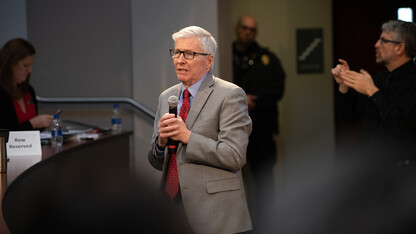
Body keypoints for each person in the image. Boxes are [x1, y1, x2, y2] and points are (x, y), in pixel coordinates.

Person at [148, 26, 252, 234]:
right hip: (172, 210)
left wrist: (187, 137)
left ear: (209, 60)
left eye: (190, 54)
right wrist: (160, 144)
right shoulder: (166, 97)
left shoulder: (230, 95)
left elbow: (235, 156)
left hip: (215, 214)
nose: (180, 60)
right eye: (176, 52)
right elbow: (157, 161)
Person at [332, 20, 416, 166]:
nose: (376, 44)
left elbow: (401, 126)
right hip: (372, 170)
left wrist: (372, 92)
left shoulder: (413, 82)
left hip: (405, 173)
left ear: (400, 48)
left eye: (383, 41)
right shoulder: (379, 79)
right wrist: (343, 86)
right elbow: (350, 117)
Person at [232, 15, 286, 227]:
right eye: (245, 28)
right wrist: (240, 98)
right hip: (231, 130)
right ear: (237, 29)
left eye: (253, 30)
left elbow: (278, 89)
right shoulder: (224, 56)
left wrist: (255, 99)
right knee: (231, 183)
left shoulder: (267, 58)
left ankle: (266, 226)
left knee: (264, 183)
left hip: (261, 130)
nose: (248, 32)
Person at [0, 38, 53, 131]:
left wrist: (43, 123)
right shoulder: (2, 93)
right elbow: (3, 133)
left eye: (31, 65)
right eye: (25, 65)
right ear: (10, 64)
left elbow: (33, 131)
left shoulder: (28, 90)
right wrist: (32, 124)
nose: (30, 70)